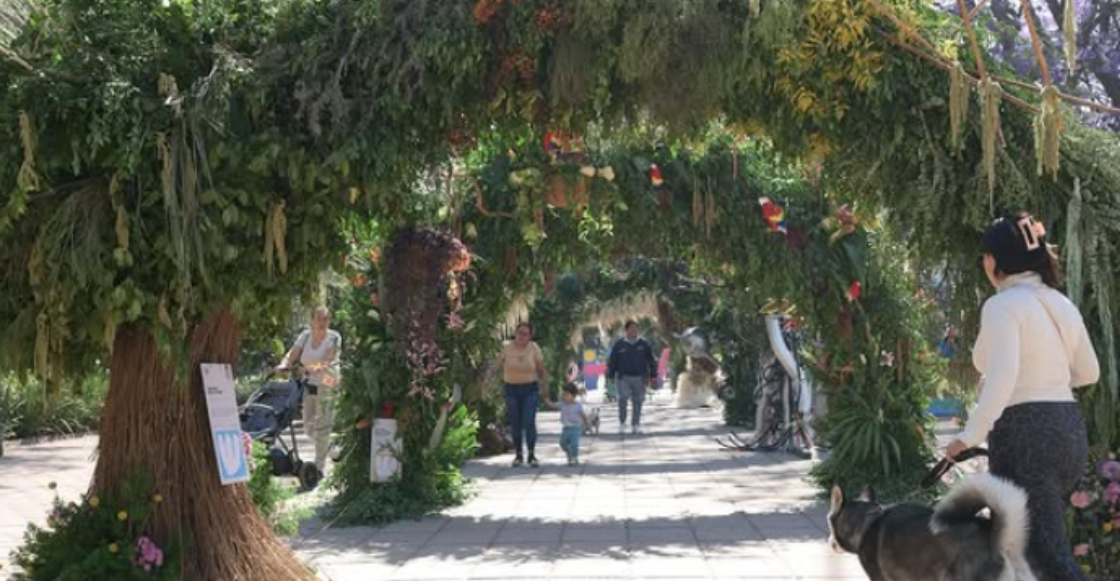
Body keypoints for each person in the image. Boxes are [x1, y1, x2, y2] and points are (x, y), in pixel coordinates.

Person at [946, 212, 1099, 581]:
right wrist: (1048, 382)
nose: (983, 263)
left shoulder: (1002, 305)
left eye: (985, 255)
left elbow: (1001, 377)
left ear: (996, 261)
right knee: (1032, 554)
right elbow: (1089, 372)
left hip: (1025, 436)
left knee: (1046, 557)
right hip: (1068, 431)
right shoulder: (1060, 303)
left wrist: (969, 436)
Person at [278, 306, 342, 472]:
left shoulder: (334, 337)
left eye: (325, 319)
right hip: (309, 384)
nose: (322, 322)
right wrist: (284, 364)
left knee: (322, 427)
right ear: (312, 320)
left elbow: (327, 361)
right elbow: (293, 353)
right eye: (319, 318)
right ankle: (331, 448)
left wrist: (306, 369)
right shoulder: (305, 336)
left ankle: (318, 469)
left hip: (328, 383)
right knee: (308, 428)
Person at [497, 322, 551, 468]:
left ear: (530, 336)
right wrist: (489, 382)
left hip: (530, 389)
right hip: (511, 389)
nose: (521, 336)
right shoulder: (506, 347)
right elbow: (497, 365)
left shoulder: (534, 348)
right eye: (519, 333)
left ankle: (532, 454)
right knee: (515, 423)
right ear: (515, 332)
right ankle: (519, 455)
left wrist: (545, 386)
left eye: (525, 334)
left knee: (528, 421)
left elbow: (541, 369)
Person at [607, 321, 657, 435]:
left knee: (638, 401)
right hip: (623, 377)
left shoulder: (643, 344)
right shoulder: (619, 344)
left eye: (636, 328)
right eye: (632, 328)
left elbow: (651, 360)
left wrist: (653, 375)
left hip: (640, 378)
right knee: (623, 398)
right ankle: (622, 424)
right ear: (626, 330)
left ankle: (636, 425)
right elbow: (612, 361)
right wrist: (611, 375)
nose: (634, 331)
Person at [552, 383, 588, 466]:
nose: (564, 396)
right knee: (562, 443)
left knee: (574, 444)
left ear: (573, 396)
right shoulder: (562, 404)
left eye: (566, 395)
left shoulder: (578, 405)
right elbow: (553, 405)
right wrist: (546, 399)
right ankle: (569, 453)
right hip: (566, 428)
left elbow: (583, 415)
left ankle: (574, 457)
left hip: (576, 428)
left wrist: (586, 425)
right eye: (563, 394)